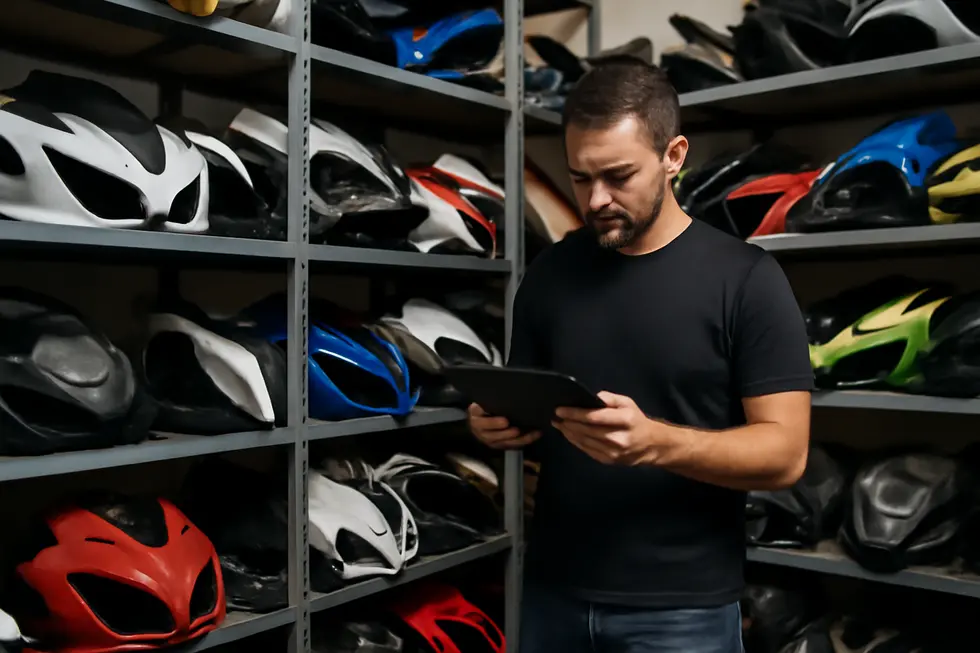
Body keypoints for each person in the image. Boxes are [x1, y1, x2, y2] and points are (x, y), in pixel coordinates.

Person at [467, 57, 813, 653]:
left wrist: (657, 442)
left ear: (674, 155)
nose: (596, 198)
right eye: (580, 178)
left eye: (618, 175)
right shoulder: (549, 275)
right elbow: (533, 406)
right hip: (553, 592)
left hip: (683, 610)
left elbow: (785, 454)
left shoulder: (747, 279)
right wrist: (495, 420)